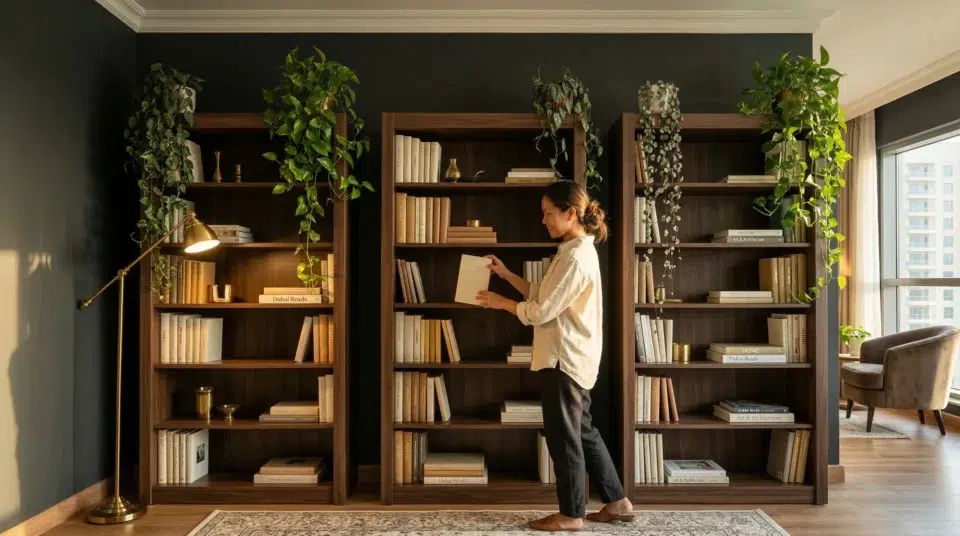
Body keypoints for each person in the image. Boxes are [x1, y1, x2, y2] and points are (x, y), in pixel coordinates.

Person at [476, 180, 634, 532]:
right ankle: (618, 502)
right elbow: (542, 293)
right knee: (583, 431)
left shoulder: (575, 257)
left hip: (564, 359)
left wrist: (500, 303)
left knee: (565, 437)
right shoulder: (572, 252)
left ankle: (571, 514)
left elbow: (542, 310)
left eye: (549, 213)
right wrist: (505, 275)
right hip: (573, 357)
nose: (544, 220)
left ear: (570, 213)